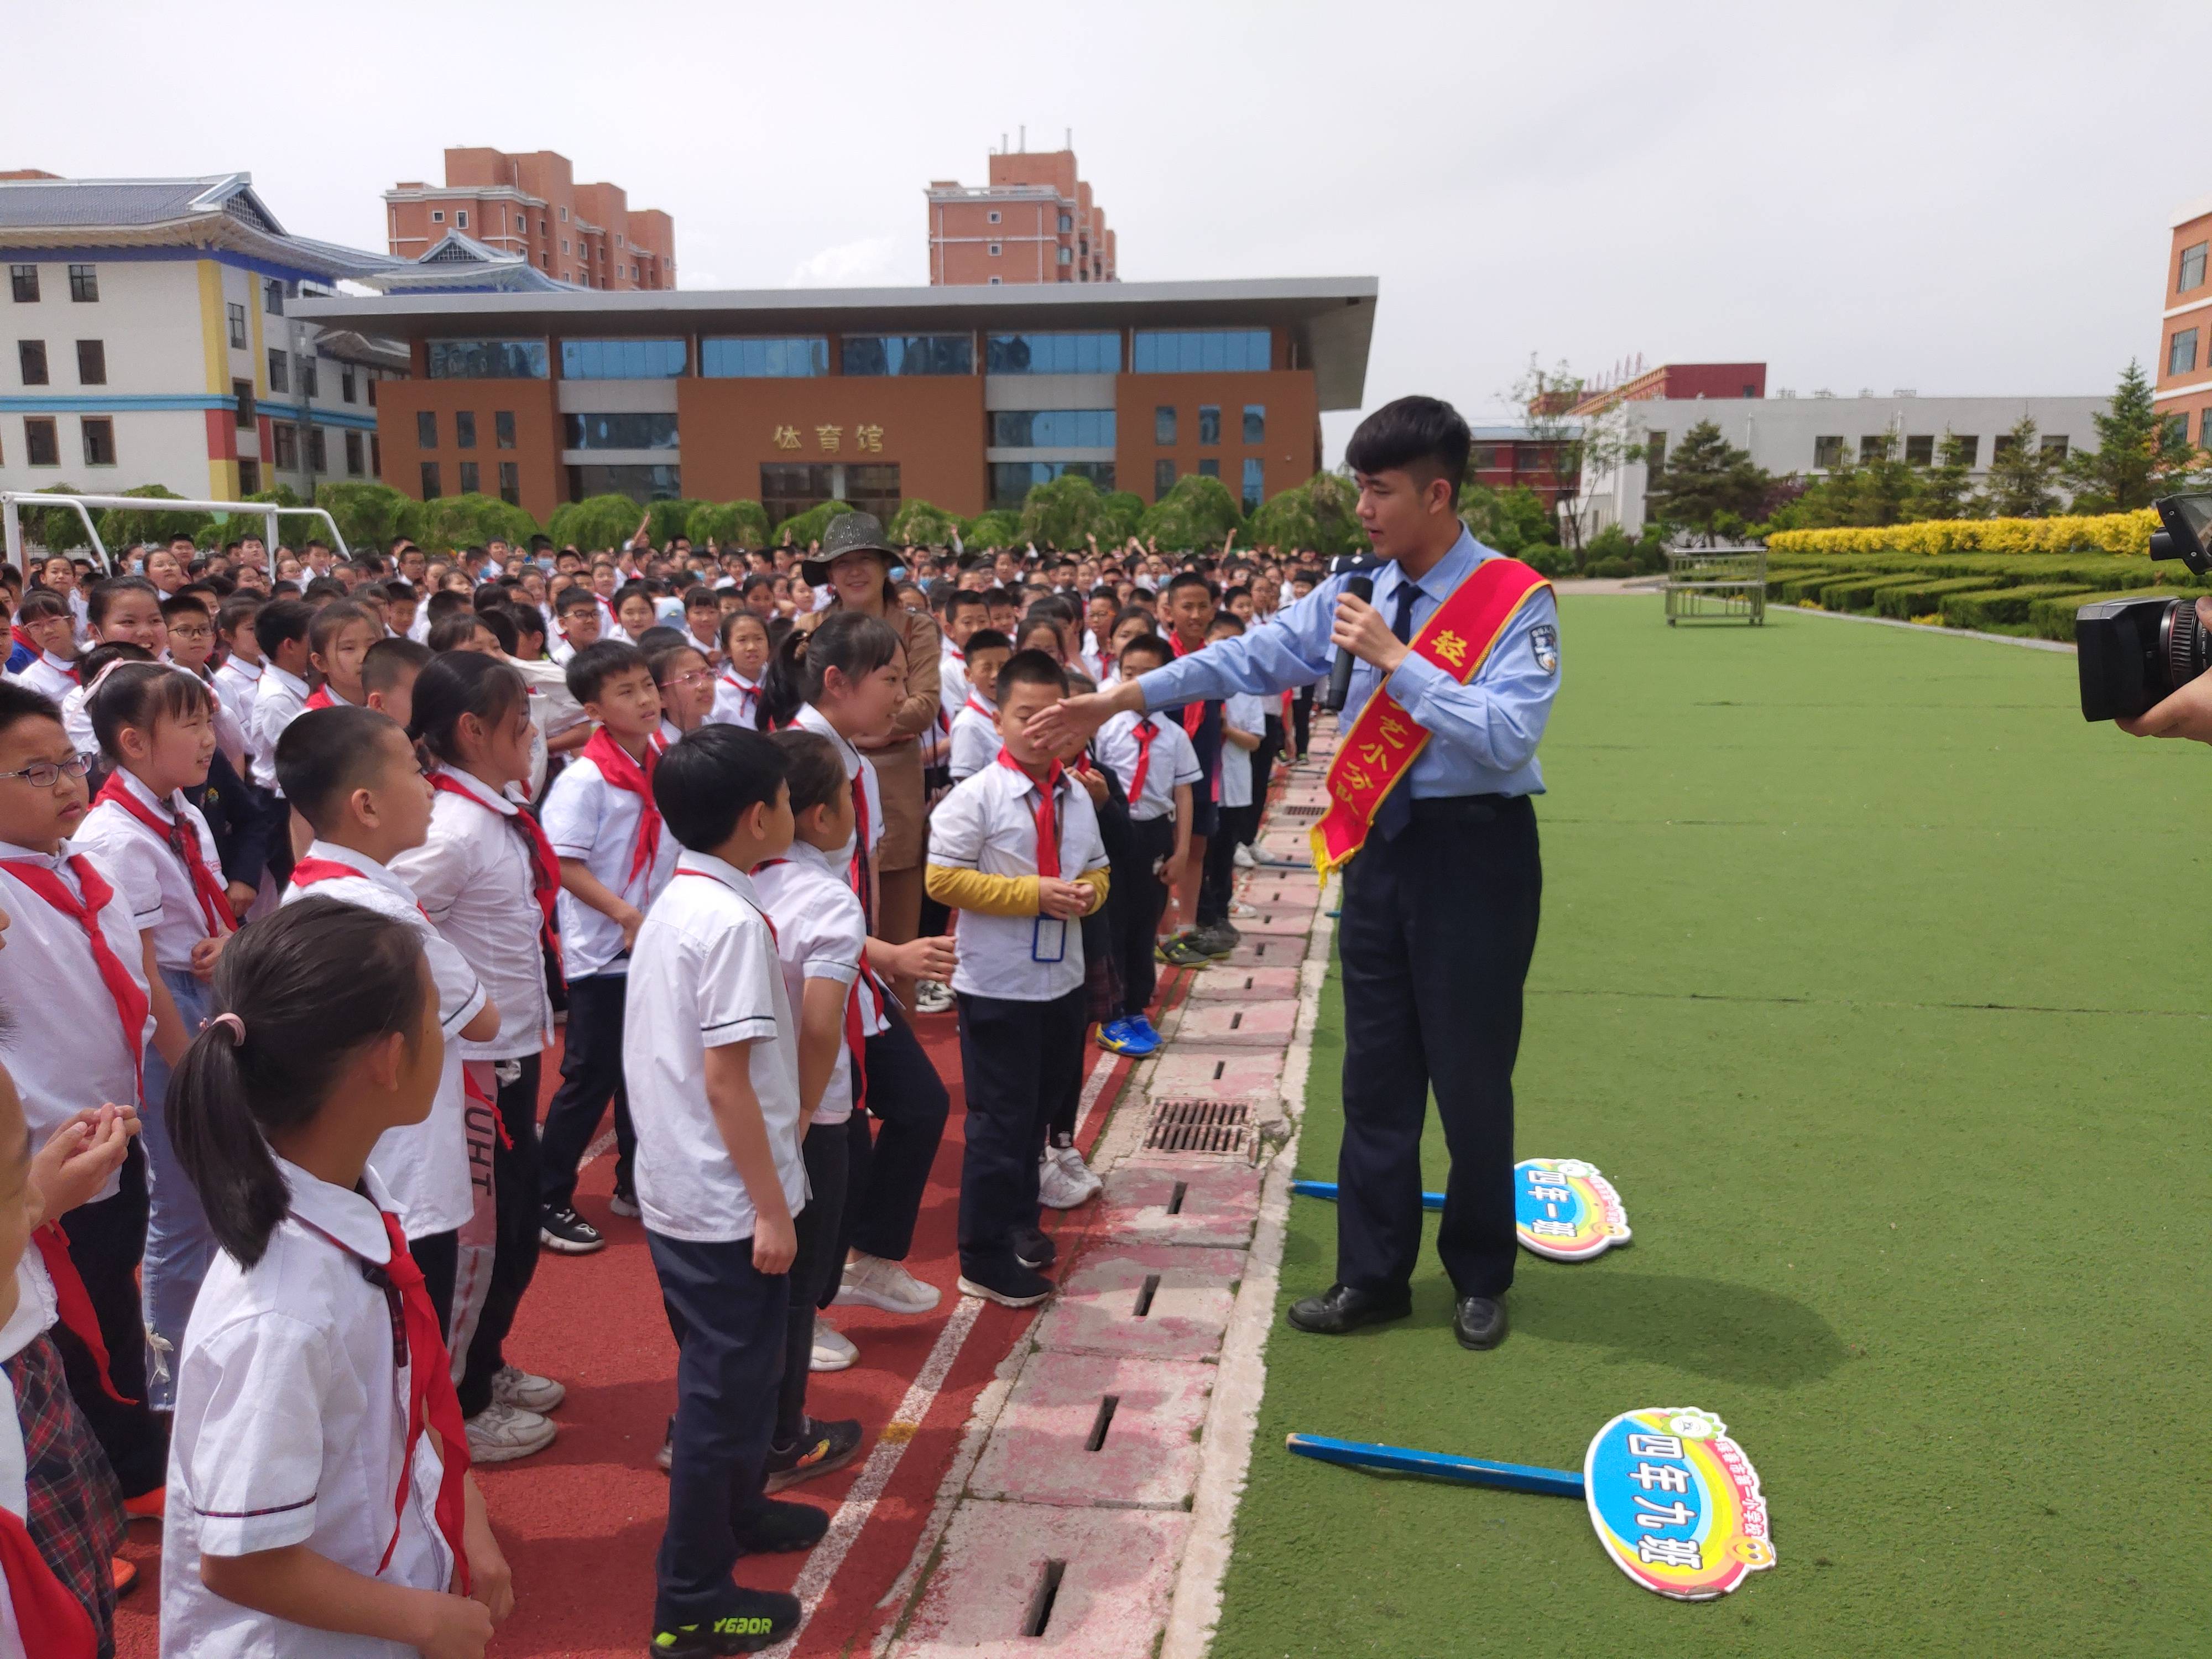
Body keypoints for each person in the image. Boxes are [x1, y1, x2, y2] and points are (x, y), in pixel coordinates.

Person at [1031, 395, 1561, 1352]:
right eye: (1359, 487)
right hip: (1382, 849)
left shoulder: (1513, 599)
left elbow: (1509, 735)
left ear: (1438, 495)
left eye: (1380, 490)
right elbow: (1248, 657)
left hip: (1475, 853)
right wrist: (1121, 696)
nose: (1362, 509)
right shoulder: (1354, 589)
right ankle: (1373, 1275)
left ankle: (1482, 1273)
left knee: (1472, 1076)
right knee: (1376, 1074)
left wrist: (1400, 662)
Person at [159, 900, 513, 1657]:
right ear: (388, 1059)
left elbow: (398, 1397)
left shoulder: (349, 1200)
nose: (444, 1037)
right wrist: (424, 1620)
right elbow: (240, 1561)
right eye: (433, 1018)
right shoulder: (281, 1315)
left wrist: (467, 1514)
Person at [622, 726, 826, 1656]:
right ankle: (692, 1601)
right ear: (758, 818)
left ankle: (741, 1513)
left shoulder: (683, 899)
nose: (792, 811)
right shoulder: (734, 923)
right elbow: (727, 1082)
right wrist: (771, 1208)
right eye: (783, 799)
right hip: (725, 1200)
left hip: (687, 1183)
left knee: (744, 1380)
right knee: (723, 1398)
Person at [0, 681, 184, 1535]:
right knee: (62, 1329)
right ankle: (108, 1487)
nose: (67, 782)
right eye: (35, 772)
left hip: (113, 1138)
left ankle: (127, 1462)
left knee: (110, 1303)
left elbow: (136, 985)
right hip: (43, 1168)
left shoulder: (84, 868)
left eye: (69, 762)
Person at [273, 706, 502, 1345]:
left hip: (364, 1159)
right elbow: (483, 1019)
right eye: (414, 770)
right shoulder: (377, 911)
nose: (430, 785)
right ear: (366, 806)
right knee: (410, 1346)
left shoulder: (323, 884)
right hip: (403, 1173)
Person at [390, 655, 565, 1461]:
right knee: (481, 1236)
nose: (533, 740)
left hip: (512, 1050)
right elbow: (388, 920)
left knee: (519, 1228)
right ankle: (458, 1400)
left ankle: (484, 1361)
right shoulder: (452, 830)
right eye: (520, 727)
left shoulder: (496, 812)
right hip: (472, 1064)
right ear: (471, 731)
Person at [763, 613, 954, 1322]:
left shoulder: (857, 763)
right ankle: (801, 1312)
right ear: (838, 682)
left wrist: (875, 954)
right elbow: (788, 898)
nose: (903, 696)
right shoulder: (792, 762)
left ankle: (863, 1261)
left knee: (915, 1107)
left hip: (852, 970)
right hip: (811, 980)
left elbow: (851, 883)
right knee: (826, 1145)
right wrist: (886, 954)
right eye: (892, 679)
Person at [71, 664, 237, 1413]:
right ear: (134, 742)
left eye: (208, 720)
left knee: (215, 1192)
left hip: (201, 994)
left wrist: (227, 942)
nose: (209, 739)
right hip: (166, 1017)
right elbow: (142, 977)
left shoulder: (180, 810)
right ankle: (169, 1386)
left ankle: (210, 1348)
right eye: (191, 724)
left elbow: (208, 909)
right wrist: (193, 1070)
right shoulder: (115, 837)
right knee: (180, 1207)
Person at [926, 649, 1108, 1306]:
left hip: (1060, 981)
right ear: (997, 719)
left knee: (1037, 1116)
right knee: (1000, 1125)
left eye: (1049, 716)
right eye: (1023, 715)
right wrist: (1032, 894)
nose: (1036, 729)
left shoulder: (1075, 794)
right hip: (998, 985)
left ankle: (1018, 1225)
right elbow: (941, 880)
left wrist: (1088, 893)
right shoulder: (976, 797)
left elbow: (1099, 868)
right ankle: (980, 1256)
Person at [750, 730, 873, 1462]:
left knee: (741, 1284)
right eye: (849, 797)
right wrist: (801, 1114)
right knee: (794, 1283)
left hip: (735, 1106)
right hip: (807, 1109)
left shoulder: (721, 882)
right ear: (822, 816)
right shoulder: (825, 897)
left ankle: (730, 1425)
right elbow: (822, 1026)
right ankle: (781, 1434)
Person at [535, 642, 680, 1254]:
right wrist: (624, 914)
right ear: (593, 710)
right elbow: (562, 864)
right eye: (626, 692)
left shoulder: (664, 762)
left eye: (647, 685)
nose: (645, 699)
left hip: (653, 942)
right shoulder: (586, 780)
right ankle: (546, 1196)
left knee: (645, 1071)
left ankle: (632, 1182)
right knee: (590, 1076)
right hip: (604, 950)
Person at [795, 515, 943, 1005]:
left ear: (884, 568)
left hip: (895, 789)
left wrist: (853, 728)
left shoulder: (915, 627)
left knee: (898, 947)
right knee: (818, 931)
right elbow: (800, 709)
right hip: (819, 782)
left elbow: (924, 705)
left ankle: (895, 1039)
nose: (855, 572)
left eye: (865, 561)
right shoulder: (810, 630)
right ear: (829, 575)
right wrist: (863, 728)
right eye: (843, 564)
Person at [1089, 635, 1197, 1058]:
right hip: (1114, 828)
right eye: (1128, 673)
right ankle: (1111, 1013)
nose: (1135, 683)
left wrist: (1181, 851)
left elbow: (1183, 793)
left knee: (1144, 922)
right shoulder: (1106, 728)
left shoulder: (1174, 735)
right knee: (1113, 922)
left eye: (1147, 675)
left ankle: (1135, 1006)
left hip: (1154, 833)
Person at [945, 629, 1010, 782]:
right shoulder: (968, 724)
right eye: (986, 668)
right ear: (969, 675)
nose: (996, 674)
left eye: (1003, 666)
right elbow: (965, 780)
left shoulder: (1015, 708)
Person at [708, 612, 769, 731]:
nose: (752, 647)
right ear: (727, 649)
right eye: (742, 640)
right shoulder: (717, 694)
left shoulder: (781, 684)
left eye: (759, 639)